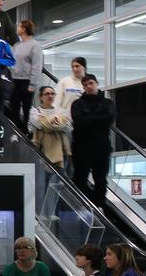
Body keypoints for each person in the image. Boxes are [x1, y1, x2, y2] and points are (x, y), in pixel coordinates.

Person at [70, 74, 117, 206]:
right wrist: (98, 119)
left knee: (101, 179)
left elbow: (109, 120)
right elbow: (79, 121)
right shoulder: (77, 104)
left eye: (90, 83)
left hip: (101, 147)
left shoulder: (108, 103)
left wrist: (88, 119)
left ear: (96, 83)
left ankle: (98, 205)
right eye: (85, 85)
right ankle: (89, 203)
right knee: (79, 179)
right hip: (81, 147)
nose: (88, 87)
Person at [8, 20, 43, 131]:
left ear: (24, 29)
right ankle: (16, 132)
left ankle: (25, 132)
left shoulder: (35, 45)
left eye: (19, 26)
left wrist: (32, 83)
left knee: (26, 109)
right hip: (16, 80)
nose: (17, 29)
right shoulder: (17, 45)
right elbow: (11, 61)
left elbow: (37, 65)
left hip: (27, 81)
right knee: (14, 106)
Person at [29, 86, 72, 169]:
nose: (50, 96)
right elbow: (38, 124)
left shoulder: (61, 111)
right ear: (41, 97)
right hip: (40, 150)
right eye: (47, 94)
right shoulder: (34, 111)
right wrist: (57, 121)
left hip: (61, 150)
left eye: (52, 94)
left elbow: (68, 128)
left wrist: (46, 121)